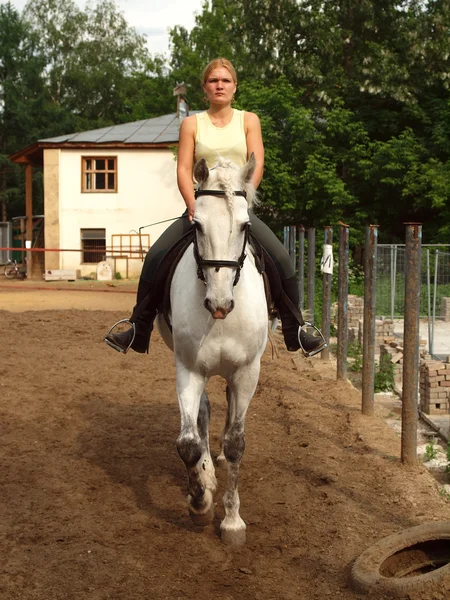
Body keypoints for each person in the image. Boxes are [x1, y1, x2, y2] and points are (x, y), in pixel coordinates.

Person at [105, 58, 326, 356]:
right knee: (156, 255)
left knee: (281, 257)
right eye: (213, 81)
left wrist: (243, 199)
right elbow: (184, 169)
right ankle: (137, 326)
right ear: (204, 88)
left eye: (225, 81)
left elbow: (255, 163)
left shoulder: (249, 120)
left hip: (237, 206)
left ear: (235, 87)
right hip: (203, 208)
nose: (219, 85)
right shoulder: (191, 124)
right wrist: (191, 204)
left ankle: (295, 328)